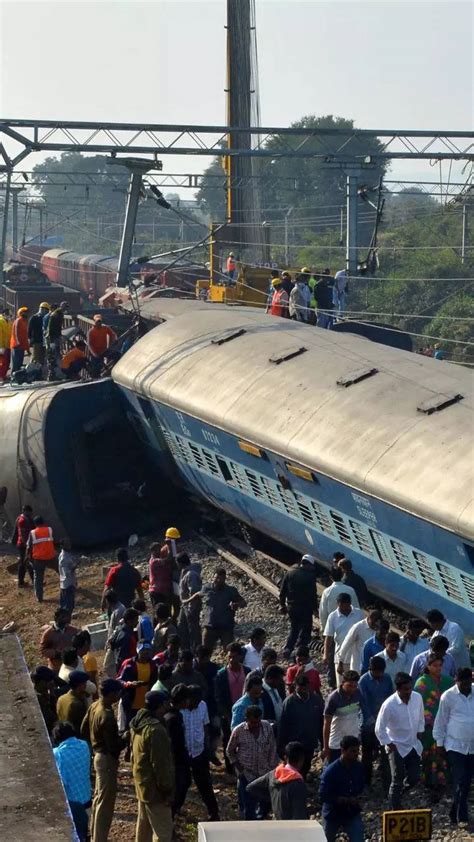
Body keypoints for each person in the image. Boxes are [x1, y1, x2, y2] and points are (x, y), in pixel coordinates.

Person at [81, 678, 125, 842]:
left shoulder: (94, 706)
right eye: (118, 692)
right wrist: (126, 737)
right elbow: (114, 746)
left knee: (99, 798)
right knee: (106, 803)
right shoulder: (107, 715)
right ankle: (99, 838)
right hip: (106, 759)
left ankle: (94, 835)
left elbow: (83, 728)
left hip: (97, 756)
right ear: (112, 694)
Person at [375, 672, 425, 809]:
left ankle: (398, 794)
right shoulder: (389, 704)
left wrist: (419, 736)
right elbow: (379, 728)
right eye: (405, 689)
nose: (409, 691)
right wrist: (389, 744)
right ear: (398, 689)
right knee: (397, 779)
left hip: (413, 744)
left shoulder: (417, 698)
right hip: (396, 746)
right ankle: (394, 809)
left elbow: (421, 718)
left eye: (410, 688)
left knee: (414, 777)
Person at [130, 691, 175, 842]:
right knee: (163, 833)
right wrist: (167, 790)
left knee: (144, 829)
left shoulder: (137, 723)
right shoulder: (156, 730)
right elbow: (160, 764)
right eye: (166, 703)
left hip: (142, 784)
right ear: (160, 705)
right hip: (155, 790)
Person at [432, 667, 474, 827]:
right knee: (460, 780)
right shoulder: (448, 696)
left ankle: (453, 811)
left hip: (472, 746)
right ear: (457, 681)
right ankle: (462, 817)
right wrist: (439, 744)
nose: (465, 686)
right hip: (454, 746)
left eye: (468, 682)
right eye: (462, 683)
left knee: (467, 781)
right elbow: (440, 721)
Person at [227, 705, 278, 820]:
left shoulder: (267, 728)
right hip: (247, 774)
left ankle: (260, 821)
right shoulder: (238, 731)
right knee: (249, 807)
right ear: (246, 720)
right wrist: (239, 768)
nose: (255, 726)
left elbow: (272, 749)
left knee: (266, 804)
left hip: (264, 773)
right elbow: (230, 751)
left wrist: (272, 770)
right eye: (252, 723)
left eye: (257, 722)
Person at [414, 653, 454, 792]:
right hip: (428, 725)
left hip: (446, 723)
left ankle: (445, 781)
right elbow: (419, 704)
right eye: (434, 666)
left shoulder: (448, 681)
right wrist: (428, 721)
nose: (438, 668)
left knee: (444, 751)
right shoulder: (421, 683)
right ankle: (429, 782)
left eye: (440, 666)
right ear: (428, 666)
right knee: (429, 753)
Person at [181, 685, 220, 821]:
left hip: (199, 751)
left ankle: (214, 814)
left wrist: (207, 749)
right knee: (182, 784)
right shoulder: (180, 709)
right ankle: (175, 813)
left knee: (205, 785)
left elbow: (205, 726)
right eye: (195, 701)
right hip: (184, 753)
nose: (197, 704)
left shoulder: (203, 706)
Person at [186, 567, 246, 652]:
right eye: (216, 578)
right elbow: (198, 594)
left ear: (224, 579)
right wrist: (186, 601)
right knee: (205, 652)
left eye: (220, 579)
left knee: (229, 650)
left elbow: (243, 602)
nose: (217, 580)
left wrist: (236, 604)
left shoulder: (231, 591)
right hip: (209, 627)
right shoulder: (207, 588)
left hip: (225, 628)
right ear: (213, 577)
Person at [246, 740, 308, 820]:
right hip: (291, 828)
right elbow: (299, 816)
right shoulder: (297, 783)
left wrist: (273, 796)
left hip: (277, 823)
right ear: (301, 760)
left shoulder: (273, 775)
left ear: (285, 758)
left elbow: (251, 787)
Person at [319, 735, 365, 842]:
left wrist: (357, 798)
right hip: (332, 813)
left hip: (351, 812)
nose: (356, 754)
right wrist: (343, 799)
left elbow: (361, 787)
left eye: (357, 750)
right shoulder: (331, 771)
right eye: (352, 751)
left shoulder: (359, 767)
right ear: (343, 751)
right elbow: (323, 795)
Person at [278, 672, 324, 778]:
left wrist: (323, 742)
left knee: (306, 764)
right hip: (295, 743)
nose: (303, 690)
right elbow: (283, 725)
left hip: (310, 741)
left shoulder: (316, 700)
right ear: (295, 687)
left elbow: (321, 722)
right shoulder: (289, 703)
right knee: (293, 768)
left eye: (305, 687)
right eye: (300, 687)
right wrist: (281, 746)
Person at [52, 721, 91, 842]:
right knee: (85, 832)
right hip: (87, 799)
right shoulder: (84, 745)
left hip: (72, 804)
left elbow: (62, 782)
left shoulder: (58, 754)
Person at [358, 656, 392, 789]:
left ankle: (387, 784)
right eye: (377, 672)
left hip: (384, 723)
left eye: (381, 672)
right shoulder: (364, 681)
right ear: (371, 670)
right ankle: (366, 783)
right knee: (367, 756)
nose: (379, 674)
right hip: (368, 725)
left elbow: (390, 698)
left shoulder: (387, 679)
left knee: (385, 755)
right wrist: (372, 719)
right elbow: (363, 703)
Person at [215, 643, 250, 772]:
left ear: (240, 657)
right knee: (228, 740)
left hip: (245, 712)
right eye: (229, 657)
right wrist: (226, 714)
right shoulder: (221, 674)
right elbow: (218, 697)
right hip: (228, 713)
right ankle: (230, 768)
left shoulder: (247, 672)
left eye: (234, 657)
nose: (231, 660)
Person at [279, 553, 318, 658]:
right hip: (305, 609)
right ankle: (300, 652)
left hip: (292, 608)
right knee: (305, 630)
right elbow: (312, 595)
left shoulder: (290, 573)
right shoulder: (310, 576)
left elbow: (282, 591)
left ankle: (288, 648)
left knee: (294, 628)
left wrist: (282, 605)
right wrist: (315, 609)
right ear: (309, 564)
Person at [323, 593, 364, 689]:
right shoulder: (333, 616)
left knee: (356, 684)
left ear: (350, 603)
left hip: (356, 656)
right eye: (340, 605)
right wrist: (326, 654)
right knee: (342, 685)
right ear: (337, 604)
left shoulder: (358, 614)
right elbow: (328, 636)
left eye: (345, 605)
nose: (342, 608)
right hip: (341, 656)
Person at [323, 670, 364, 764]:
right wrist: (326, 747)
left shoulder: (358, 693)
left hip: (353, 740)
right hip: (337, 742)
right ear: (342, 683)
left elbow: (361, 713)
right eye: (349, 686)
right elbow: (327, 723)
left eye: (355, 686)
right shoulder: (333, 698)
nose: (352, 689)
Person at [164, 684, 192, 815]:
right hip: (176, 761)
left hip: (177, 760)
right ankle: (171, 815)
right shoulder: (173, 719)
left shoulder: (173, 715)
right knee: (180, 786)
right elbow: (176, 745)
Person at [118, 641, 158, 728]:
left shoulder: (153, 665)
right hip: (131, 705)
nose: (145, 655)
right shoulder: (128, 664)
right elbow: (119, 680)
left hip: (147, 705)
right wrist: (129, 684)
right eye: (142, 652)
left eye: (147, 653)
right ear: (138, 651)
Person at [338, 609, 382, 674]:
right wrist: (340, 662)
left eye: (377, 623)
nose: (375, 625)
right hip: (357, 668)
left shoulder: (379, 629)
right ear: (369, 618)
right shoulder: (358, 627)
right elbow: (346, 644)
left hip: (373, 670)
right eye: (374, 622)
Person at [26, 514, 57, 602]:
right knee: (61, 570)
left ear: (35, 524)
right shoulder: (49, 530)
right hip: (51, 556)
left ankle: (39, 598)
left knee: (38, 578)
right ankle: (72, 585)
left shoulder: (32, 533)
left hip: (38, 559)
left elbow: (29, 547)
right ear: (43, 522)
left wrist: (28, 557)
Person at [319, 565, 360, 631]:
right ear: (342, 575)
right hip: (349, 628)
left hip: (333, 627)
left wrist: (323, 627)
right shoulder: (350, 590)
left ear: (330, 577)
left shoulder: (327, 592)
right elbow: (356, 608)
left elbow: (323, 612)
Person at [176, 551, 202, 651]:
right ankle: (185, 650)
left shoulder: (191, 574)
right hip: (185, 605)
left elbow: (195, 592)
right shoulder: (185, 571)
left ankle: (197, 651)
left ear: (180, 563)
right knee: (182, 628)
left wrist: (191, 608)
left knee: (193, 630)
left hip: (191, 606)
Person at [56, 670, 89, 736]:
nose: (85, 686)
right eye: (84, 684)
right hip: (76, 737)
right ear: (80, 685)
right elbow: (84, 725)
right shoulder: (77, 704)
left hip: (62, 734)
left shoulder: (61, 698)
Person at [102, 591, 127, 677]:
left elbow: (116, 629)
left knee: (108, 666)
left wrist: (109, 642)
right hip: (113, 641)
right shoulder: (118, 608)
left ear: (108, 601)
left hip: (114, 642)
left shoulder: (118, 611)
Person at [108, 607, 139, 672]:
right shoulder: (126, 636)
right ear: (129, 621)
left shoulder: (120, 628)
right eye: (136, 620)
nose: (137, 622)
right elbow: (122, 657)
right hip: (127, 667)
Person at [11, 503, 34, 588]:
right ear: (26, 511)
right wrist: (27, 546)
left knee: (26, 563)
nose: (31, 514)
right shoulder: (23, 520)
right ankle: (24, 582)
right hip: (23, 545)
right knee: (26, 563)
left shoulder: (21, 518)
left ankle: (22, 582)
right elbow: (22, 534)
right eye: (29, 512)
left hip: (23, 544)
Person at [87, 314, 117, 378]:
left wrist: (113, 341)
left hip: (104, 350)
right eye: (97, 322)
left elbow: (112, 334)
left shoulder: (105, 328)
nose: (99, 323)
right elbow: (89, 344)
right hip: (96, 353)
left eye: (100, 321)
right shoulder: (91, 332)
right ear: (94, 322)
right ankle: (96, 377)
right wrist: (94, 354)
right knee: (96, 369)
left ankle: (114, 371)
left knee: (117, 355)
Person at [31, 665, 58, 734]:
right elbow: (52, 719)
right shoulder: (39, 698)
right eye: (49, 681)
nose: (52, 683)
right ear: (42, 682)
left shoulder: (42, 693)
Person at [46, 301, 69, 381]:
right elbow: (51, 327)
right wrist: (52, 338)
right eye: (65, 307)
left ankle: (53, 374)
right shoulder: (56, 314)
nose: (66, 309)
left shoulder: (58, 313)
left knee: (55, 355)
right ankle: (52, 375)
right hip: (52, 337)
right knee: (53, 356)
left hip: (54, 336)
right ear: (62, 306)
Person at [148, 541, 173, 609]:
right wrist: (170, 546)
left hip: (161, 590)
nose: (159, 551)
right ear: (152, 551)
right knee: (160, 613)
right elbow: (168, 560)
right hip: (157, 591)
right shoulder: (154, 561)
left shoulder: (157, 559)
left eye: (159, 549)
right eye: (156, 550)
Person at [58, 539, 79, 614]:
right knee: (68, 606)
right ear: (62, 546)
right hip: (67, 585)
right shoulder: (64, 558)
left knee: (68, 605)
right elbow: (66, 573)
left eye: (69, 544)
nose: (69, 546)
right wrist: (75, 566)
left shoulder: (67, 554)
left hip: (69, 582)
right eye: (66, 544)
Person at [28, 302, 49, 366]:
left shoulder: (45, 318)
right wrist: (30, 338)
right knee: (36, 357)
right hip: (37, 341)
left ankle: (40, 371)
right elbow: (29, 329)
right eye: (43, 309)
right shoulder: (34, 317)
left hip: (43, 341)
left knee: (42, 358)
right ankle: (31, 370)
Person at [10, 306, 29, 373]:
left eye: (27, 312)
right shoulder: (18, 321)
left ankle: (18, 376)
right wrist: (17, 343)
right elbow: (15, 333)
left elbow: (25, 336)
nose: (26, 313)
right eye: (24, 312)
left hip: (22, 347)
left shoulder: (25, 322)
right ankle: (13, 376)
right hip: (16, 346)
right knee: (16, 363)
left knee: (20, 363)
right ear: (20, 313)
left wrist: (27, 349)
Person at [0, 308, 12, 381]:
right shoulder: (1, 321)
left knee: (7, 362)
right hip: (2, 346)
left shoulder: (9, 321)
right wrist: (1, 346)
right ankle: (1, 376)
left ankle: (4, 375)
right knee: (2, 362)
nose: (9, 315)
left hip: (8, 345)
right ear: (4, 313)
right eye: (8, 313)